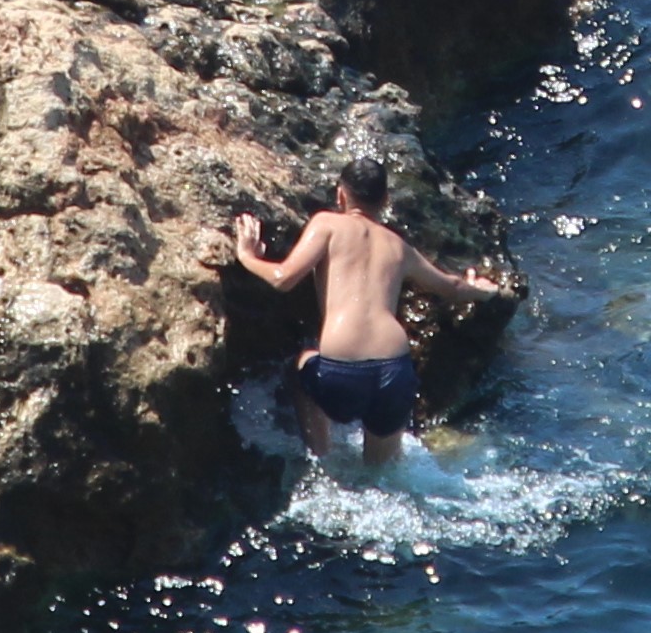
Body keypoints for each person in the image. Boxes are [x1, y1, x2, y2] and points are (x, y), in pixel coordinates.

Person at [209, 153, 517, 465]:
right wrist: (484, 291)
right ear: (385, 199)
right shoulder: (399, 246)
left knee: (300, 366)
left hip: (341, 369)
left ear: (340, 195)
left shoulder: (327, 224)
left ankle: (323, 457)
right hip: (395, 370)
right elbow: (452, 288)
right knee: (382, 474)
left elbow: (284, 278)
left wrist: (248, 256)